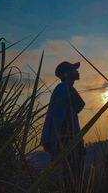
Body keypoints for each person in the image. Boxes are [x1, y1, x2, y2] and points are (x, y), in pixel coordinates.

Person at [41, 61, 86, 191]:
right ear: (66, 74)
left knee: (68, 176)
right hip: (68, 141)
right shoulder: (67, 89)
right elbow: (80, 105)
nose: (77, 72)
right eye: (73, 70)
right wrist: (78, 145)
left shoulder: (59, 90)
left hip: (61, 140)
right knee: (72, 177)